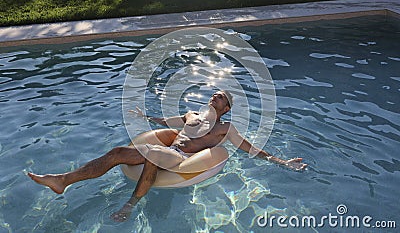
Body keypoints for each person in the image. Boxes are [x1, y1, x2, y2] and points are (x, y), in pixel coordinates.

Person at [28, 90, 307, 222]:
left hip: (181, 159)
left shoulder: (226, 129)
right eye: (215, 94)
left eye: (221, 97)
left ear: (227, 108)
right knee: (116, 153)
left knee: (155, 154)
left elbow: (250, 149)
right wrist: (145, 116)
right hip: (166, 150)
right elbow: (167, 122)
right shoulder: (192, 115)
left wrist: (281, 161)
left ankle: (130, 204)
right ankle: (62, 180)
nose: (215, 96)